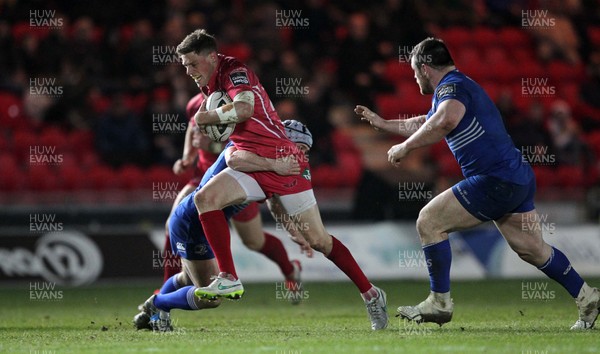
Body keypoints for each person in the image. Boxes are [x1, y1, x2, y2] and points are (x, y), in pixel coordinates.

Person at [355, 37, 599, 330]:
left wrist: (405, 148)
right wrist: (384, 124)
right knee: (532, 248)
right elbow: (426, 121)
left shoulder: (452, 88)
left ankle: (440, 302)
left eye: (414, 71)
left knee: (429, 221)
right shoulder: (457, 86)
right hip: (516, 178)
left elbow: (445, 121)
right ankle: (587, 297)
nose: (414, 77)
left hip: (493, 180)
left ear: (424, 67)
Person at [177, 29, 388, 330]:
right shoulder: (210, 85)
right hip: (254, 161)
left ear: (211, 57)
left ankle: (371, 294)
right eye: (185, 66)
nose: (189, 71)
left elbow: (244, 108)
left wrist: (205, 118)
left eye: (193, 64)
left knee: (319, 240)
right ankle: (228, 278)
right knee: (204, 198)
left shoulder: (234, 71)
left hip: (285, 162)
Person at [134, 120, 314, 332]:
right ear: (285, 141)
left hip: (200, 223)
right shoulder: (248, 152)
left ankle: (154, 307)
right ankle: (157, 305)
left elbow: (273, 201)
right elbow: (231, 154)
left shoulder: (273, 166)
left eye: (305, 151)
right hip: (192, 223)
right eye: (300, 148)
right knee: (211, 298)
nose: (302, 156)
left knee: (186, 278)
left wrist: (295, 232)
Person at [160, 93, 304, 298]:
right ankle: (167, 287)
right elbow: (193, 128)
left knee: (253, 241)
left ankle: (290, 270)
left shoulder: (243, 104)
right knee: (172, 224)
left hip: (238, 176)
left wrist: (211, 146)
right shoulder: (195, 102)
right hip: (204, 175)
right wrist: (187, 156)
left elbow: (242, 144)